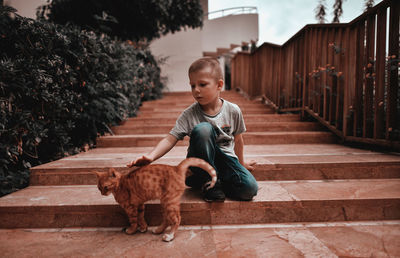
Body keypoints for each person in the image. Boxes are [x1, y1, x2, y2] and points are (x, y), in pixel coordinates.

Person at [127, 57, 258, 202]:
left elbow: (238, 140)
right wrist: (151, 156)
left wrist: (242, 163)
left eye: (202, 84)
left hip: (226, 160)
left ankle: (205, 180)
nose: (196, 90)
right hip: (200, 160)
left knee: (249, 190)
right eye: (192, 85)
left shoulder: (233, 111)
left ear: (219, 85)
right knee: (203, 129)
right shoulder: (189, 114)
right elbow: (170, 138)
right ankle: (209, 182)